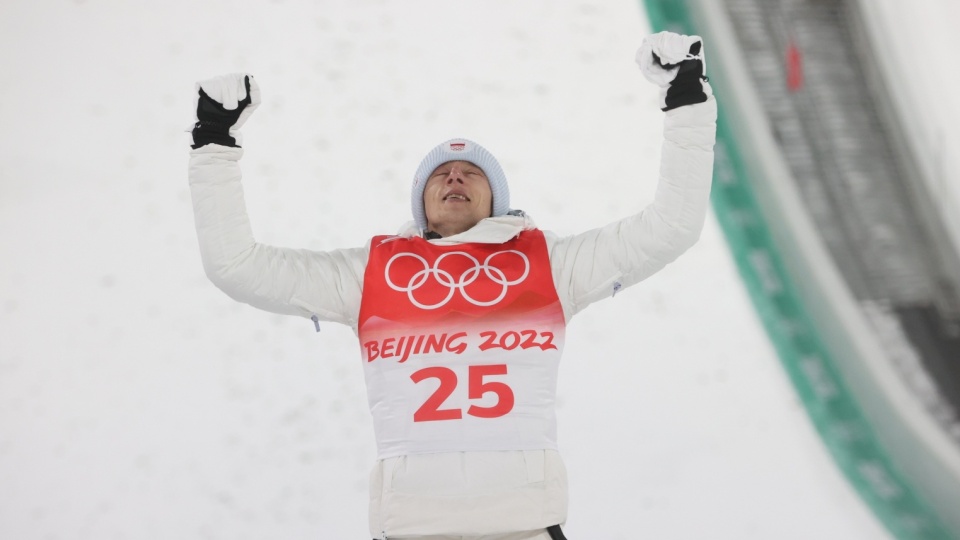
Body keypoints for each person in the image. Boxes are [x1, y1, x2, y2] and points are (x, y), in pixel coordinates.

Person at [188, 30, 716, 540]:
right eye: (441, 173)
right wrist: (214, 141)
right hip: (414, 527)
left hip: (525, 523)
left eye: (472, 172)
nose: (456, 178)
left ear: (497, 200)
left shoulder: (550, 264)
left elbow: (672, 227)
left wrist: (687, 100)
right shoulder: (371, 274)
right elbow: (234, 264)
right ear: (421, 201)